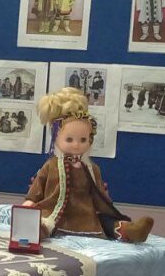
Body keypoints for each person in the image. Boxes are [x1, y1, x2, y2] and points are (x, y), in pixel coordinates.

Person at [23, 87, 153, 241]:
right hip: (53, 212)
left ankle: (129, 231)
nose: (76, 145)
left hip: (85, 215)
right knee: (44, 222)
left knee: (107, 222)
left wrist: (106, 202)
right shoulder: (51, 166)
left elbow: (99, 193)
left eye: (83, 140)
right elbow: (38, 186)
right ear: (56, 137)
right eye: (69, 139)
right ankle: (38, 231)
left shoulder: (92, 169)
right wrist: (30, 201)